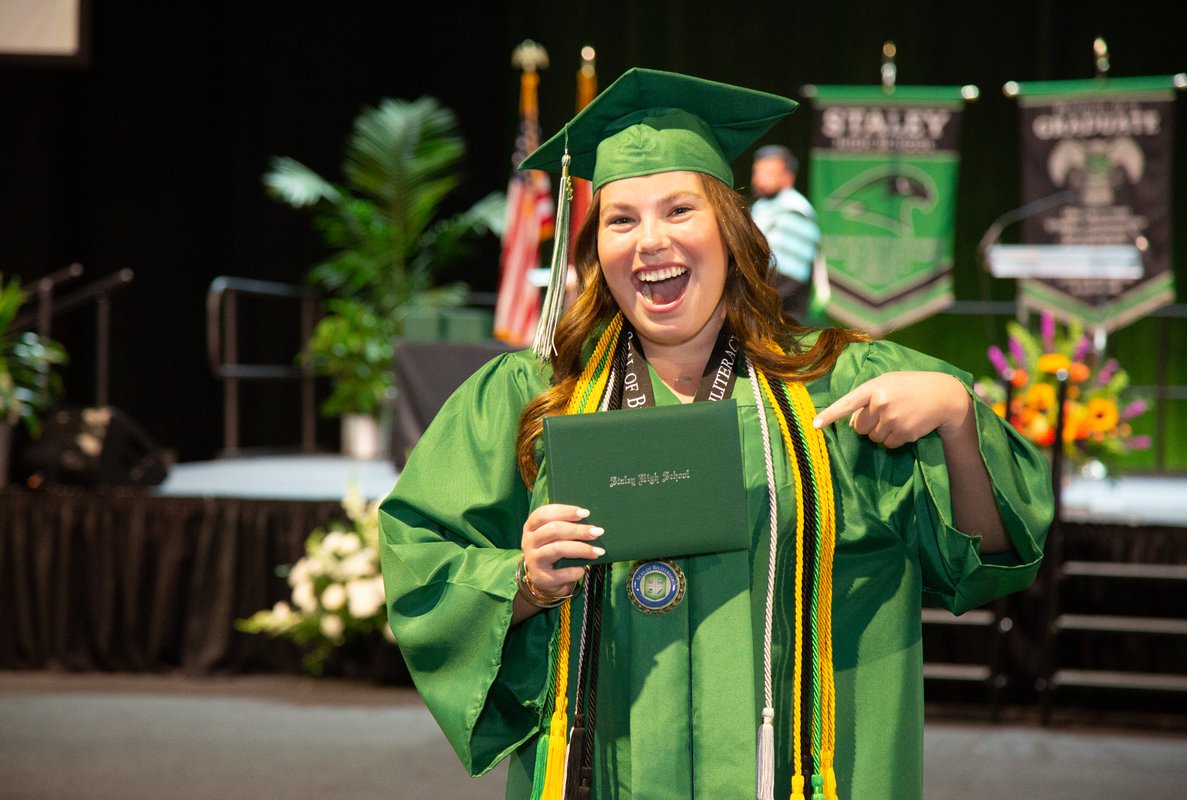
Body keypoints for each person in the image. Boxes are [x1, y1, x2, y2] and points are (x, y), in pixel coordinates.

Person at [380, 68, 1052, 800]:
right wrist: (520, 582)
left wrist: (955, 415)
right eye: (621, 219)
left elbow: (991, 551)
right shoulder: (534, 398)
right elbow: (420, 559)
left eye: (678, 210)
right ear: (595, 247)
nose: (650, 242)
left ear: (731, 229)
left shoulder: (841, 384)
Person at [750, 145, 822, 321]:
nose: (760, 179)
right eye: (757, 172)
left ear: (787, 177)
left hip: (784, 318)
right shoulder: (760, 207)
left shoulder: (795, 210)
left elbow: (787, 278)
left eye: (769, 172)